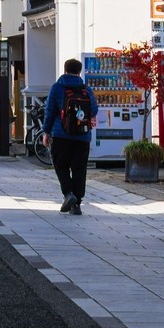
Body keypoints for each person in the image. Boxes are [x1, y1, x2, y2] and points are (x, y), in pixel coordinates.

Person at [43, 59, 97, 215]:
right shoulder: (86, 89)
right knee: (79, 169)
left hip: (61, 135)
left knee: (61, 166)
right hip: (83, 136)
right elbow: (93, 110)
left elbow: (49, 111)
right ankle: (77, 204)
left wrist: (46, 132)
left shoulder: (57, 87)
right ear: (79, 72)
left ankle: (68, 194)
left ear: (65, 70)